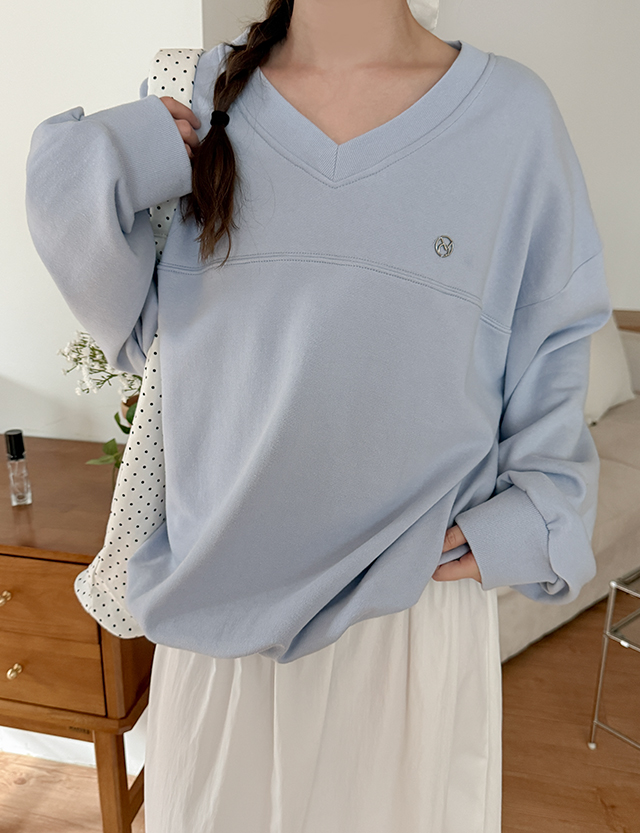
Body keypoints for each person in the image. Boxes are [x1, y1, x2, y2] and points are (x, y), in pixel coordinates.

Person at [25, 0, 612, 830]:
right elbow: (126, 322)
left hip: (406, 626)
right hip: (215, 625)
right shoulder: (197, 97)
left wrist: (539, 514)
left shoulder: (514, 117)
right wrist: (109, 157)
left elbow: (555, 336)